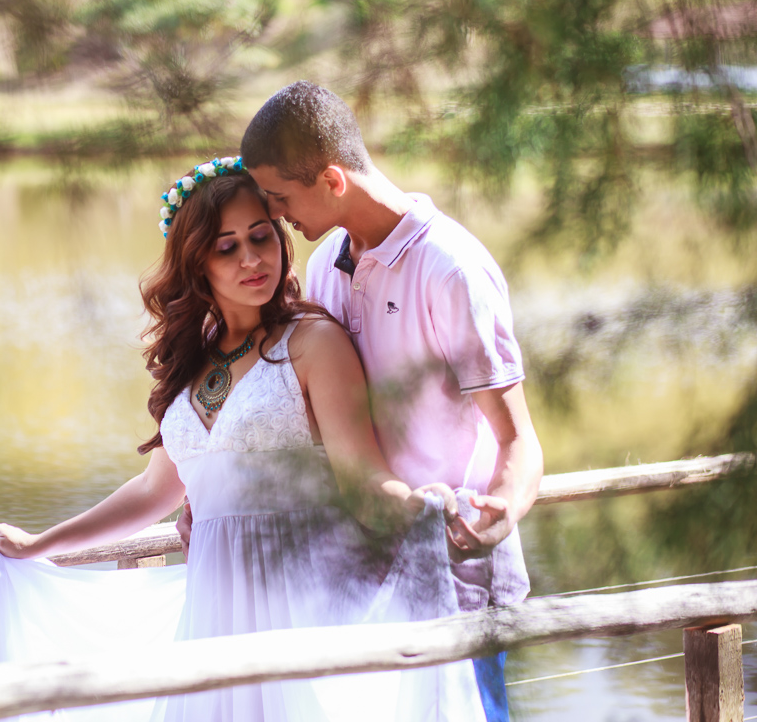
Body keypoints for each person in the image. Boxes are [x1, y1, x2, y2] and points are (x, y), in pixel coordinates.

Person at [0, 160, 489, 721]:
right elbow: (154, 493)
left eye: (261, 237)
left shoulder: (315, 344)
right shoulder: (194, 359)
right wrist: (37, 545)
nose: (251, 259)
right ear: (197, 264)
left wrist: (425, 508)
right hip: (214, 614)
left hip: (300, 606)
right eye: (227, 247)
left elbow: (362, 479)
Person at [180, 81, 544, 721]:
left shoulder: (450, 269)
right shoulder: (326, 267)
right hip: (356, 587)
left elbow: (518, 439)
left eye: (282, 198)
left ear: (331, 180)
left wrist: (501, 511)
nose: (277, 213)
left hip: (453, 575)